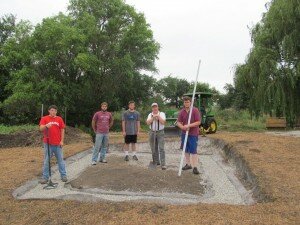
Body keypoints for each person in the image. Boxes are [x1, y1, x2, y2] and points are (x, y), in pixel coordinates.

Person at [39, 105, 67, 184]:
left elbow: (62, 130)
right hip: (48, 144)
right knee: (47, 161)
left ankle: (63, 175)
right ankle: (45, 177)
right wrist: (45, 126)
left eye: (55, 110)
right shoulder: (44, 118)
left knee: (61, 160)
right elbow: (40, 128)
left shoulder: (59, 119)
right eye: (52, 110)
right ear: (49, 111)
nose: (53, 112)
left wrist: (62, 141)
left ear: (56, 111)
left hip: (58, 144)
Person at [177, 96, 201, 175]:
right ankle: (188, 164)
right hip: (184, 133)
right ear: (183, 103)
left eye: (188, 102)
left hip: (193, 134)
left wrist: (189, 125)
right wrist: (183, 127)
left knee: (193, 150)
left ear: (190, 102)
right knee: (186, 149)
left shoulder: (195, 110)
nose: (186, 103)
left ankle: (195, 167)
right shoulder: (182, 112)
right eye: (185, 102)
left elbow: (198, 122)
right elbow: (178, 122)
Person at [146, 103, 166, 170]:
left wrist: (158, 117)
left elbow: (163, 122)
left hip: (160, 132)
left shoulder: (162, 114)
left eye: (156, 107)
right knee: (153, 148)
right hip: (152, 132)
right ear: (152, 108)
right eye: (153, 107)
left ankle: (163, 164)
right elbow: (148, 123)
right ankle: (156, 162)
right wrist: (153, 118)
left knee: (161, 148)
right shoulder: (150, 114)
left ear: (158, 107)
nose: (154, 108)